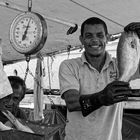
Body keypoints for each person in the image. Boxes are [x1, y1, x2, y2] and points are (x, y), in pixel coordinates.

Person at [59, 17, 140, 140]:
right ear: (81, 39)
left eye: (100, 35)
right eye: (89, 35)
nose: (95, 40)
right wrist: (102, 97)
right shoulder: (69, 66)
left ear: (107, 37)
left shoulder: (122, 65)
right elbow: (72, 103)